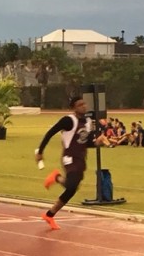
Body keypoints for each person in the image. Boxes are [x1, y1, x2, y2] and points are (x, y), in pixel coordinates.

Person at [35, 96, 107, 230]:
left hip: (80, 159)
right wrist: (40, 151)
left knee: (72, 190)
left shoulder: (88, 122)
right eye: (80, 105)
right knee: (71, 184)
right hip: (69, 157)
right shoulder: (68, 120)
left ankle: (49, 215)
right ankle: (56, 177)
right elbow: (50, 133)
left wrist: (98, 142)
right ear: (73, 108)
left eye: (84, 104)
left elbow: (87, 142)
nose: (84, 107)